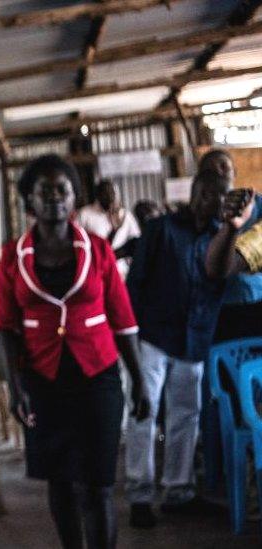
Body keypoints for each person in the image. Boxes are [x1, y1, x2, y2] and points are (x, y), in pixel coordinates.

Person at [0, 154, 150, 549]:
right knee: (60, 483)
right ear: (30, 198)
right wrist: (15, 389)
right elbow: (6, 329)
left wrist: (142, 385)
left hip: (98, 378)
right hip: (43, 382)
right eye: (43, 190)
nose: (54, 197)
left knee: (98, 485)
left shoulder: (98, 249)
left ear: (73, 195)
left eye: (61, 189)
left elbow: (124, 321)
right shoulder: (12, 256)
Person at [124, 169, 233, 528]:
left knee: (186, 415)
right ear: (199, 194)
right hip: (154, 337)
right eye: (215, 196)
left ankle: (178, 491)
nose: (220, 204)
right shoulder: (161, 230)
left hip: (193, 338)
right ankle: (140, 495)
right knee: (144, 411)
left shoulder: (221, 236)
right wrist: (135, 341)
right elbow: (135, 284)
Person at [196, 149, 262, 342]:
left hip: (253, 297)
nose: (219, 170)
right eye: (211, 167)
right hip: (216, 306)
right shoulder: (198, 214)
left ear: (235, 172)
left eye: (224, 165)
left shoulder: (255, 202)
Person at [77, 179, 141, 276]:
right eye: (105, 195)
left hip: (121, 271)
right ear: (98, 196)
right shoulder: (84, 214)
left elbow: (135, 240)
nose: (110, 198)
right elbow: (79, 243)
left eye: (113, 195)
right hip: (96, 272)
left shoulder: (125, 215)